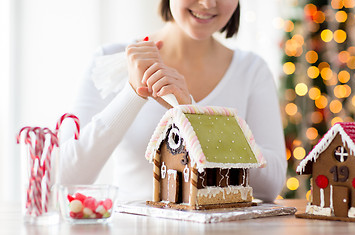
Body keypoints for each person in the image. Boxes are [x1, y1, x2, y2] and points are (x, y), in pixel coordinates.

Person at [59, 0, 287, 203]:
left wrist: (192, 115)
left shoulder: (252, 71)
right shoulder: (110, 63)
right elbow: (66, 177)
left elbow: (270, 186)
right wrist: (133, 93)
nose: (208, 4)